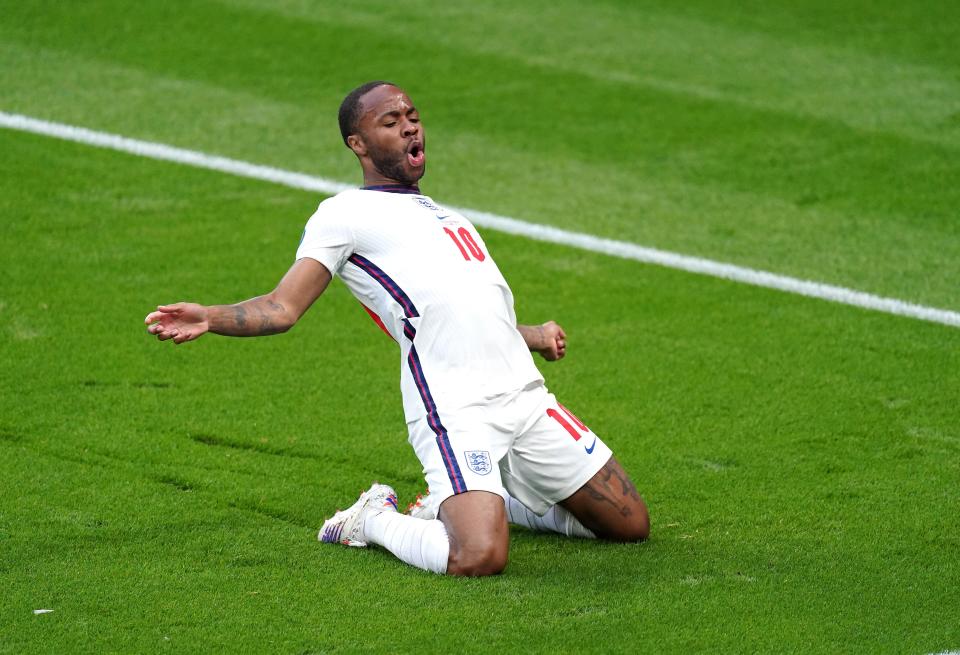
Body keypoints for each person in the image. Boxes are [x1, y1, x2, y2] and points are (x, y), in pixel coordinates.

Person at [145, 81, 649, 576]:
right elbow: (282, 307)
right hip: (455, 405)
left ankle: (475, 498)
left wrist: (535, 335)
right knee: (479, 556)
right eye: (391, 121)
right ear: (357, 144)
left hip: (525, 396)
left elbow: (469, 316)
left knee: (629, 525)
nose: (410, 127)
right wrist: (210, 316)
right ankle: (375, 519)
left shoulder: (450, 217)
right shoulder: (344, 215)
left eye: (412, 116)